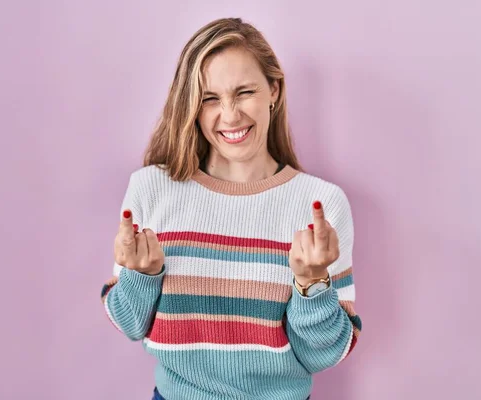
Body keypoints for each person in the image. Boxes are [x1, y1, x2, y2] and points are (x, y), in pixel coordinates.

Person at [100, 17, 362, 400]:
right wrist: (143, 275)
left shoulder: (320, 206)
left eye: (244, 92)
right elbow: (130, 323)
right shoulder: (151, 189)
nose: (230, 115)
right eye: (209, 98)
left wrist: (312, 284)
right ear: (191, 105)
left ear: (273, 90)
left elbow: (322, 354)